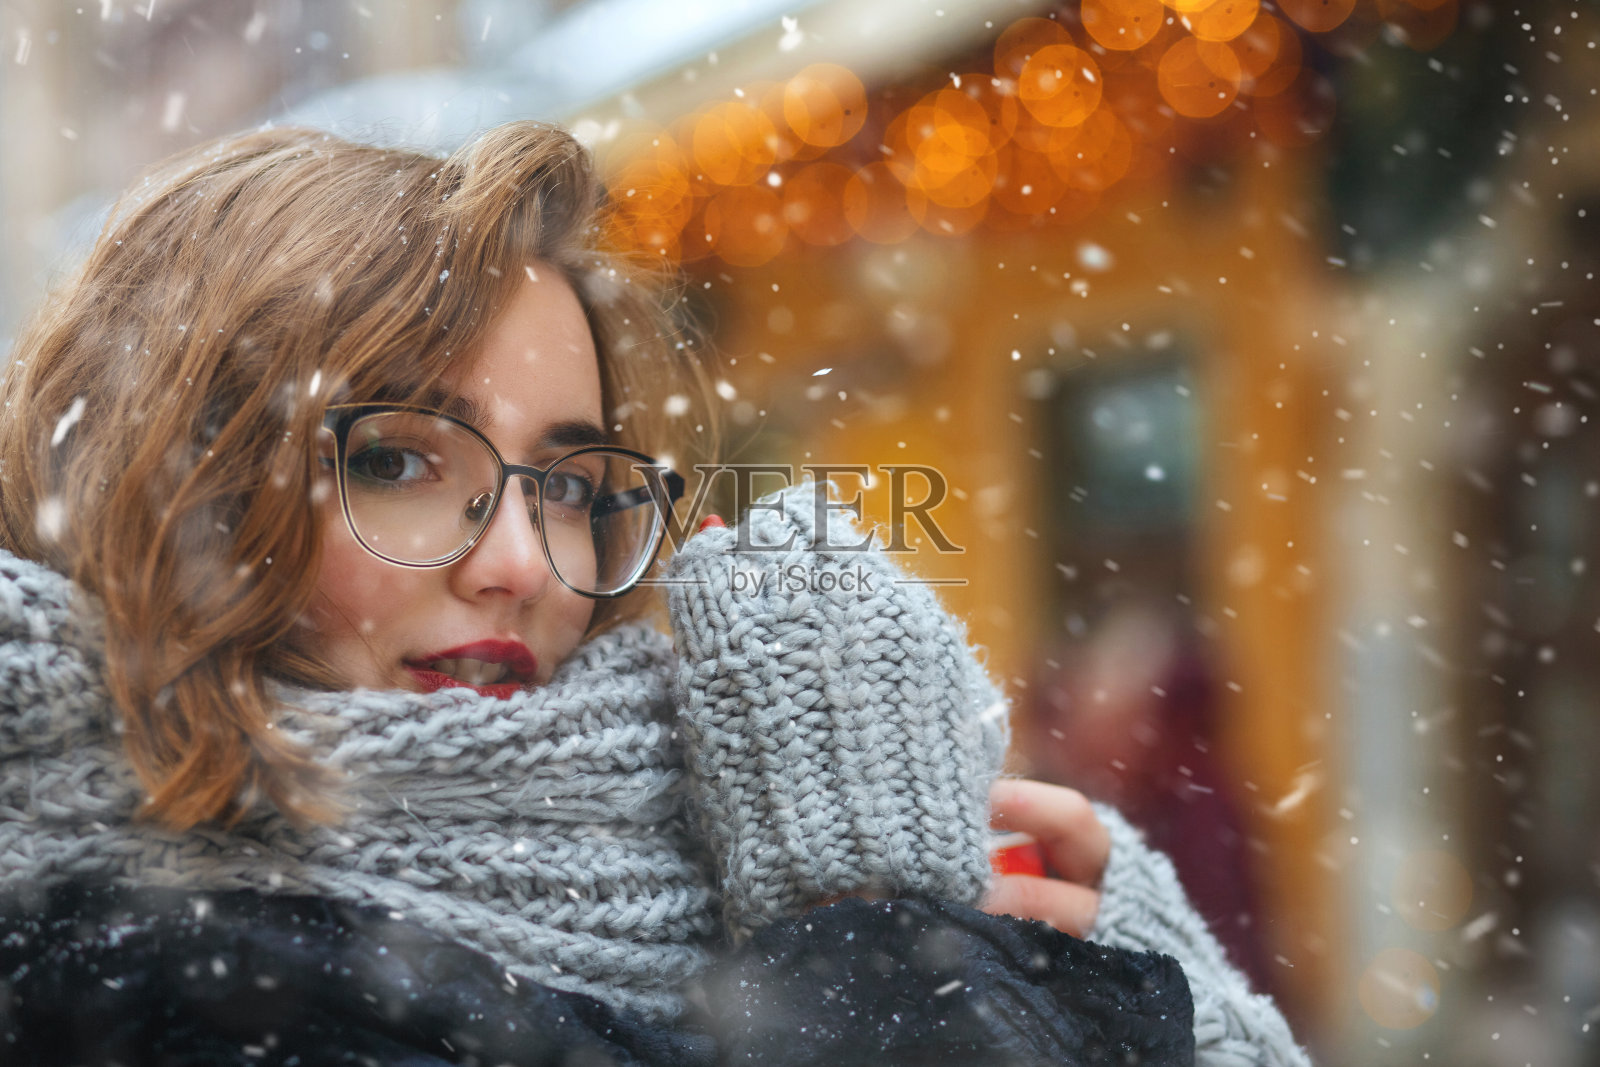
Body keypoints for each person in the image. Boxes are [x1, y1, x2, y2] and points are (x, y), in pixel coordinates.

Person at [0, 121, 1308, 1065]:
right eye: (394, 459)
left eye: (570, 484)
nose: (517, 562)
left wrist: (1129, 988)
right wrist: (877, 943)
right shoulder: (155, 985)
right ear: (165, 492)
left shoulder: (671, 864)